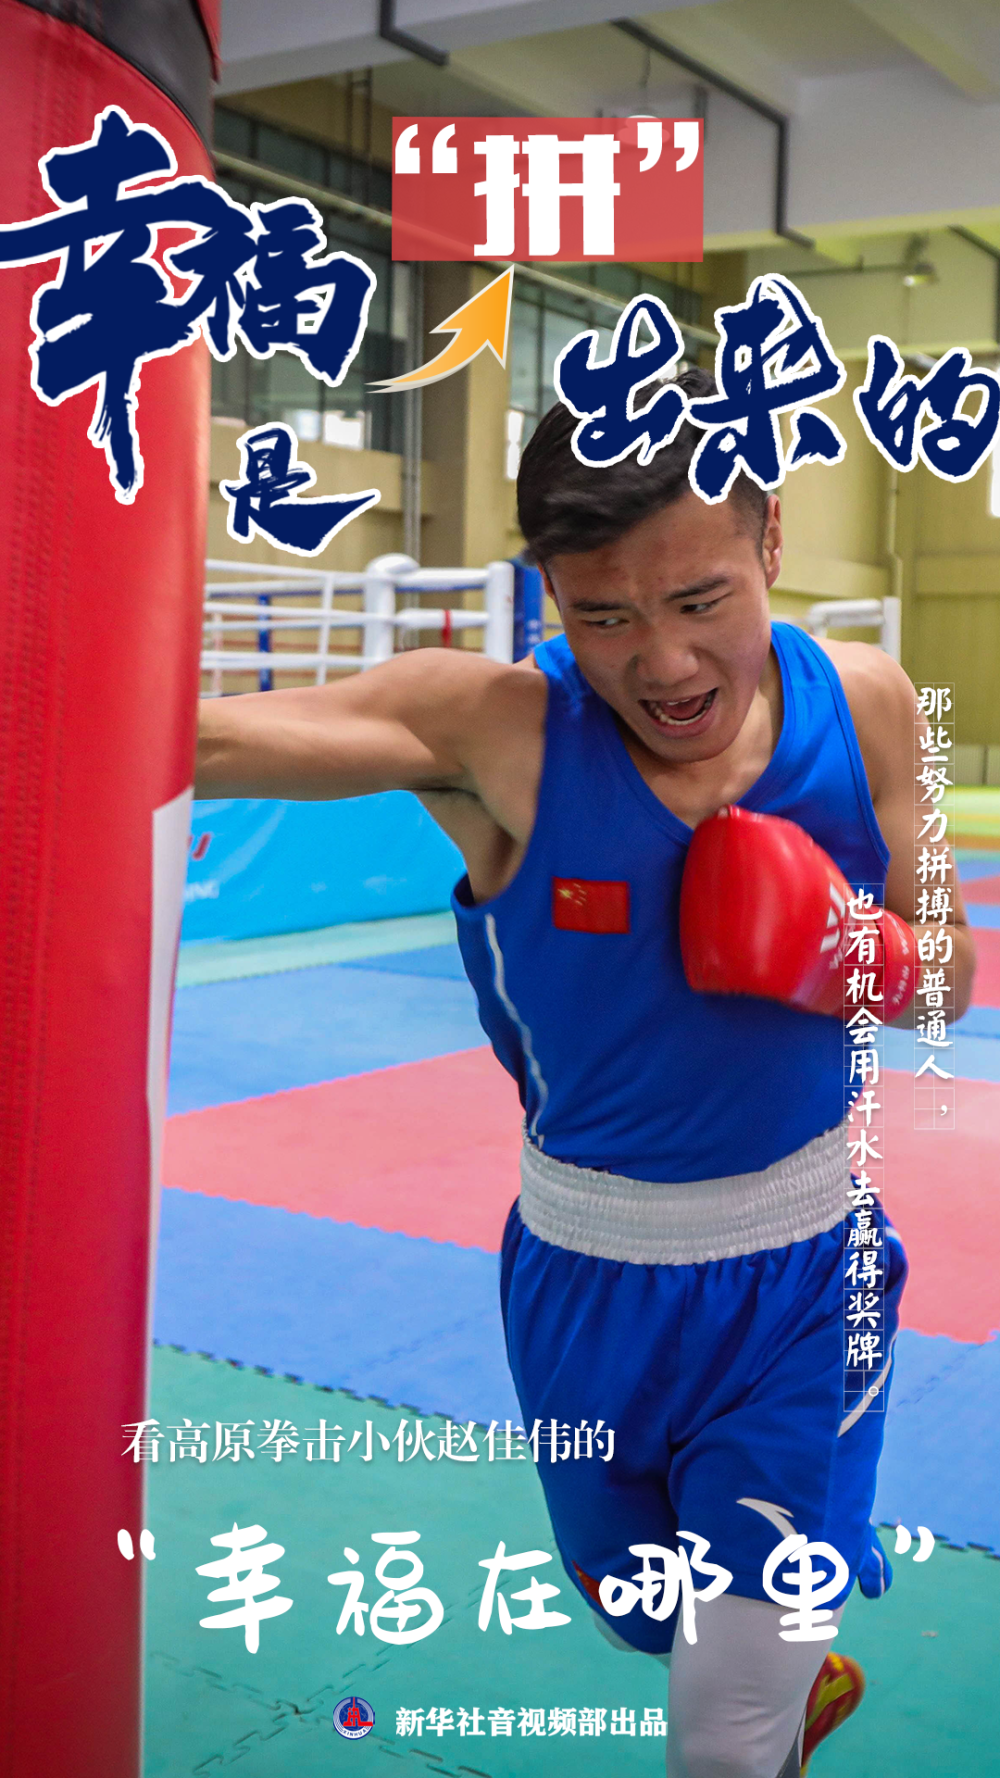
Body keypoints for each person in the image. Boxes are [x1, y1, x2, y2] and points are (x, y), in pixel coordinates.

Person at [196, 369, 975, 1778]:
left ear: (771, 542)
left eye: (700, 600)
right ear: (547, 591)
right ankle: (778, 1674)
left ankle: (762, 1692)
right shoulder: (497, 730)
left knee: (722, 1728)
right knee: (650, 1616)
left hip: (809, 1275)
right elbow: (198, 736)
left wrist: (843, 949)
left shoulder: (863, 701)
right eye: (603, 616)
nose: (664, 663)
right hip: (582, 1278)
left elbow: (954, 968)